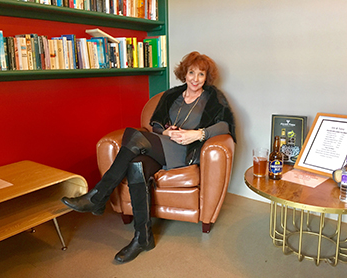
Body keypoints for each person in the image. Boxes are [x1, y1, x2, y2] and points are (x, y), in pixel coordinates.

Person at [61, 51, 236, 263]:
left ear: (206, 77)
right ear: (185, 73)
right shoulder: (172, 95)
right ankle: (142, 237)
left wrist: (198, 134)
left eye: (201, 74)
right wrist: (166, 132)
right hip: (163, 145)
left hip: (184, 152)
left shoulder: (213, 97)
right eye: (191, 72)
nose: (195, 79)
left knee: (133, 136)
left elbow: (225, 124)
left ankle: (98, 196)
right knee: (136, 165)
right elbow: (156, 124)